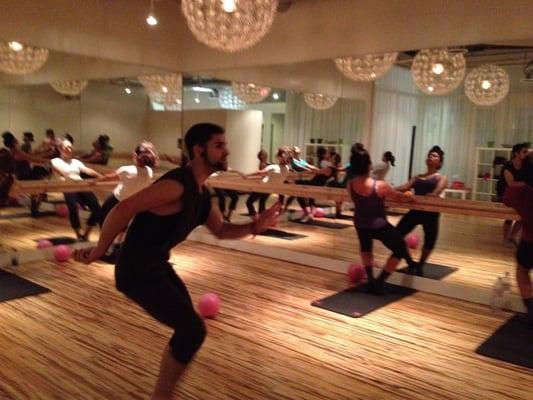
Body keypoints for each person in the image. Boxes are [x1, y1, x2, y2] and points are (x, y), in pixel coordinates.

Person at [74, 123, 280, 400]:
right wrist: (101, 248)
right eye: (219, 145)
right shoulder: (176, 185)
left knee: (191, 331)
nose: (227, 150)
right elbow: (125, 207)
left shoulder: (202, 195)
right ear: (198, 150)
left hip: (157, 267)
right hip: (136, 271)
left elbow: (221, 231)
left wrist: (253, 227)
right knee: (193, 330)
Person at [348, 145, 413, 294]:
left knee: (366, 249)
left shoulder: (350, 185)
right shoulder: (380, 185)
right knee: (401, 248)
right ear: (369, 165)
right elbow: (399, 197)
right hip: (378, 225)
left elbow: (358, 201)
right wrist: (409, 196)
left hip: (360, 223)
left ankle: (371, 280)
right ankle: (379, 282)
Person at [395, 146, 448, 276]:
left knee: (430, 241)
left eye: (435, 156)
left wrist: (434, 194)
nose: (431, 157)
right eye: (430, 155)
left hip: (431, 213)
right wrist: (389, 189)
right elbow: (405, 187)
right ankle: (410, 262)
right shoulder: (417, 177)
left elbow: (437, 191)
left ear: (440, 163)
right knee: (397, 235)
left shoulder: (441, 178)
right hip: (416, 211)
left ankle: (421, 264)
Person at [98, 142, 158, 254]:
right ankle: (117, 245)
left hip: (117, 199)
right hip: (132, 202)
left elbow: (107, 178)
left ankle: (105, 247)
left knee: (103, 219)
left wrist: (95, 178)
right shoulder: (149, 172)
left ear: (135, 155)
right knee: (123, 223)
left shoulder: (127, 169)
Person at [51, 139, 103, 241]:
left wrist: (100, 176)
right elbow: (62, 173)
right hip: (68, 186)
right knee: (73, 209)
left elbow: (87, 170)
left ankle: (86, 233)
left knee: (96, 207)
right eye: (66, 147)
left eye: (71, 147)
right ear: (60, 149)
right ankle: (78, 235)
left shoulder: (75, 161)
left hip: (80, 185)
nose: (69, 149)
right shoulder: (55, 161)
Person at [503, 151, 533, 326]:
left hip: (529, 242)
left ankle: (530, 308)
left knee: (522, 270)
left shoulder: (519, 189)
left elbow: (506, 199)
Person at [2, 131, 50, 215]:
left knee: (39, 183)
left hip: (22, 175)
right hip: (25, 176)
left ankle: (34, 206)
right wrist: (52, 160)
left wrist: (46, 152)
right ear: (14, 142)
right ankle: (34, 208)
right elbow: (34, 159)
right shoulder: (18, 153)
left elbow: (32, 155)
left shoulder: (12, 152)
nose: (18, 140)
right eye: (16, 139)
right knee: (43, 186)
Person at [496, 143, 529, 247]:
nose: (526, 154)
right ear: (516, 153)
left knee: (523, 216)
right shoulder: (508, 166)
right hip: (506, 193)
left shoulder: (526, 165)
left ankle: (512, 237)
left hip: (519, 194)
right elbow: (511, 184)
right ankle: (506, 239)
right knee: (510, 216)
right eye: (524, 152)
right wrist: (526, 183)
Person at [245, 149, 271, 218]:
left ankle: (256, 218)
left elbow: (261, 174)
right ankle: (260, 218)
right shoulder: (265, 164)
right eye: (264, 153)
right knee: (261, 203)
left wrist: (247, 175)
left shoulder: (265, 164)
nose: (266, 154)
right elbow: (261, 175)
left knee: (249, 202)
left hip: (264, 187)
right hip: (266, 187)